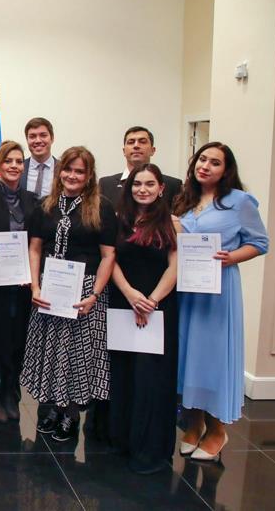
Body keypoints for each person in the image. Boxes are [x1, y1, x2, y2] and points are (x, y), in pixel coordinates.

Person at [173, 142, 268, 461]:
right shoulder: (185, 199)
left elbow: (259, 242)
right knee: (188, 356)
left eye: (215, 162)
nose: (205, 166)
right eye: (202, 159)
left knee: (211, 357)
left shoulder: (239, 201)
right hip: (187, 289)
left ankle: (217, 430)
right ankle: (194, 423)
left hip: (218, 290)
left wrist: (231, 258)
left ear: (226, 170)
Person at [21, 146, 117, 442]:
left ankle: (71, 414)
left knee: (77, 354)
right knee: (51, 350)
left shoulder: (101, 207)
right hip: (49, 288)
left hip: (85, 290)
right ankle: (52, 407)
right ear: (59, 171)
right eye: (68, 169)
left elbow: (108, 255)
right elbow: (35, 248)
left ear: (89, 176)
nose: (72, 176)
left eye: (79, 171)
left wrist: (95, 294)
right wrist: (34, 286)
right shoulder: (46, 205)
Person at [108, 163, 178, 474]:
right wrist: (130, 295)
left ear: (161, 188)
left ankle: (149, 449)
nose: (143, 189)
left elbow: (175, 266)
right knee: (125, 374)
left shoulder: (173, 223)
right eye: (137, 184)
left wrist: (150, 301)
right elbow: (110, 259)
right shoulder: (118, 219)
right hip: (123, 302)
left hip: (158, 308)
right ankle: (123, 441)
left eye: (150, 184)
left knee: (151, 377)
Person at [0, 140, 38, 423]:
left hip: (21, 284)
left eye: (18, 161)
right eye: (8, 161)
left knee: (16, 337)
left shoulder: (32, 200)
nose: (14, 166)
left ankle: (10, 392)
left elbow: (38, 240)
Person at [99, 126, 182, 206]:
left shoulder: (173, 185)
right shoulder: (106, 184)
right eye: (131, 142)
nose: (136, 146)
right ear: (124, 151)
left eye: (142, 142)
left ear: (152, 150)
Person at [20, 117, 59, 200]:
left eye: (43, 135)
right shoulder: (18, 168)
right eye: (32, 136)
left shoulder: (63, 169)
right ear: (27, 140)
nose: (38, 140)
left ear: (52, 138)